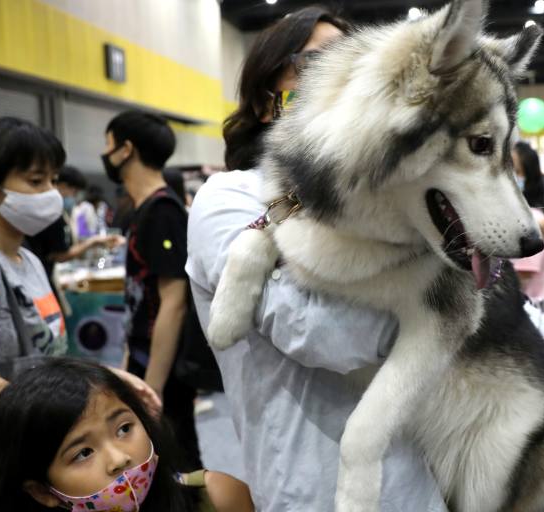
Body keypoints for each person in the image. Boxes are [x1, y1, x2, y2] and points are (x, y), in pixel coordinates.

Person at [187, 7, 453, 510]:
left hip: (421, 476)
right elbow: (319, 332)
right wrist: (439, 322)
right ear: (268, 103)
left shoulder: (383, 197)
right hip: (312, 484)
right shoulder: (229, 198)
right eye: (318, 65)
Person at [0, 103, 158, 505]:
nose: (51, 195)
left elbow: (44, 358)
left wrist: (103, 380)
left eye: (53, 181)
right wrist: (76, 421)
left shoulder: (27, 261)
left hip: (35, 459)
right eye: (36, 181)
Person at [0, 357, 254, 511]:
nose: (119, 458)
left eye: (124, 428)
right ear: (42, 491)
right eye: (83, 453)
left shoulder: (217, 497)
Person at [101, 109, 202, 470]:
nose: (105, 152)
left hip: (165, 366)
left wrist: (153, 388)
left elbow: (173, 301)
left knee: (177, 460)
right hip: (145, 357)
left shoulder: (162, 211)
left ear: (126, 149)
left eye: (108, 144)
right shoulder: (143, 208)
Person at [24, 165, 120, 286]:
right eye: (74, 192)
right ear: (63, 186)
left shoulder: (65, 212)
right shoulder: (58, 214)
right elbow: (61, 253)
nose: (74, 197)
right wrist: (93, 241)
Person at [511, 141, 544, 300]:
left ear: (527, 177)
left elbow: (523, 277)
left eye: (513, 170)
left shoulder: (529, 219)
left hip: (520, 308)